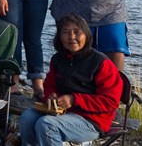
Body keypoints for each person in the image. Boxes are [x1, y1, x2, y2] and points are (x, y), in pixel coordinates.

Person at [19, 14, 123, 146]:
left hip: (92, 121)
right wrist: (51, 96)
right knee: (27, 117)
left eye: (77, 32)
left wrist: (74, 99)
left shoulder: (100, 63)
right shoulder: (58, 59)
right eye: (66, 32)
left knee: (46, 124)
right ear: (60, 37)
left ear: (86, 35)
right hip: (62, 113)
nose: (72, 37)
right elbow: (49, 86)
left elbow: (111, 102)